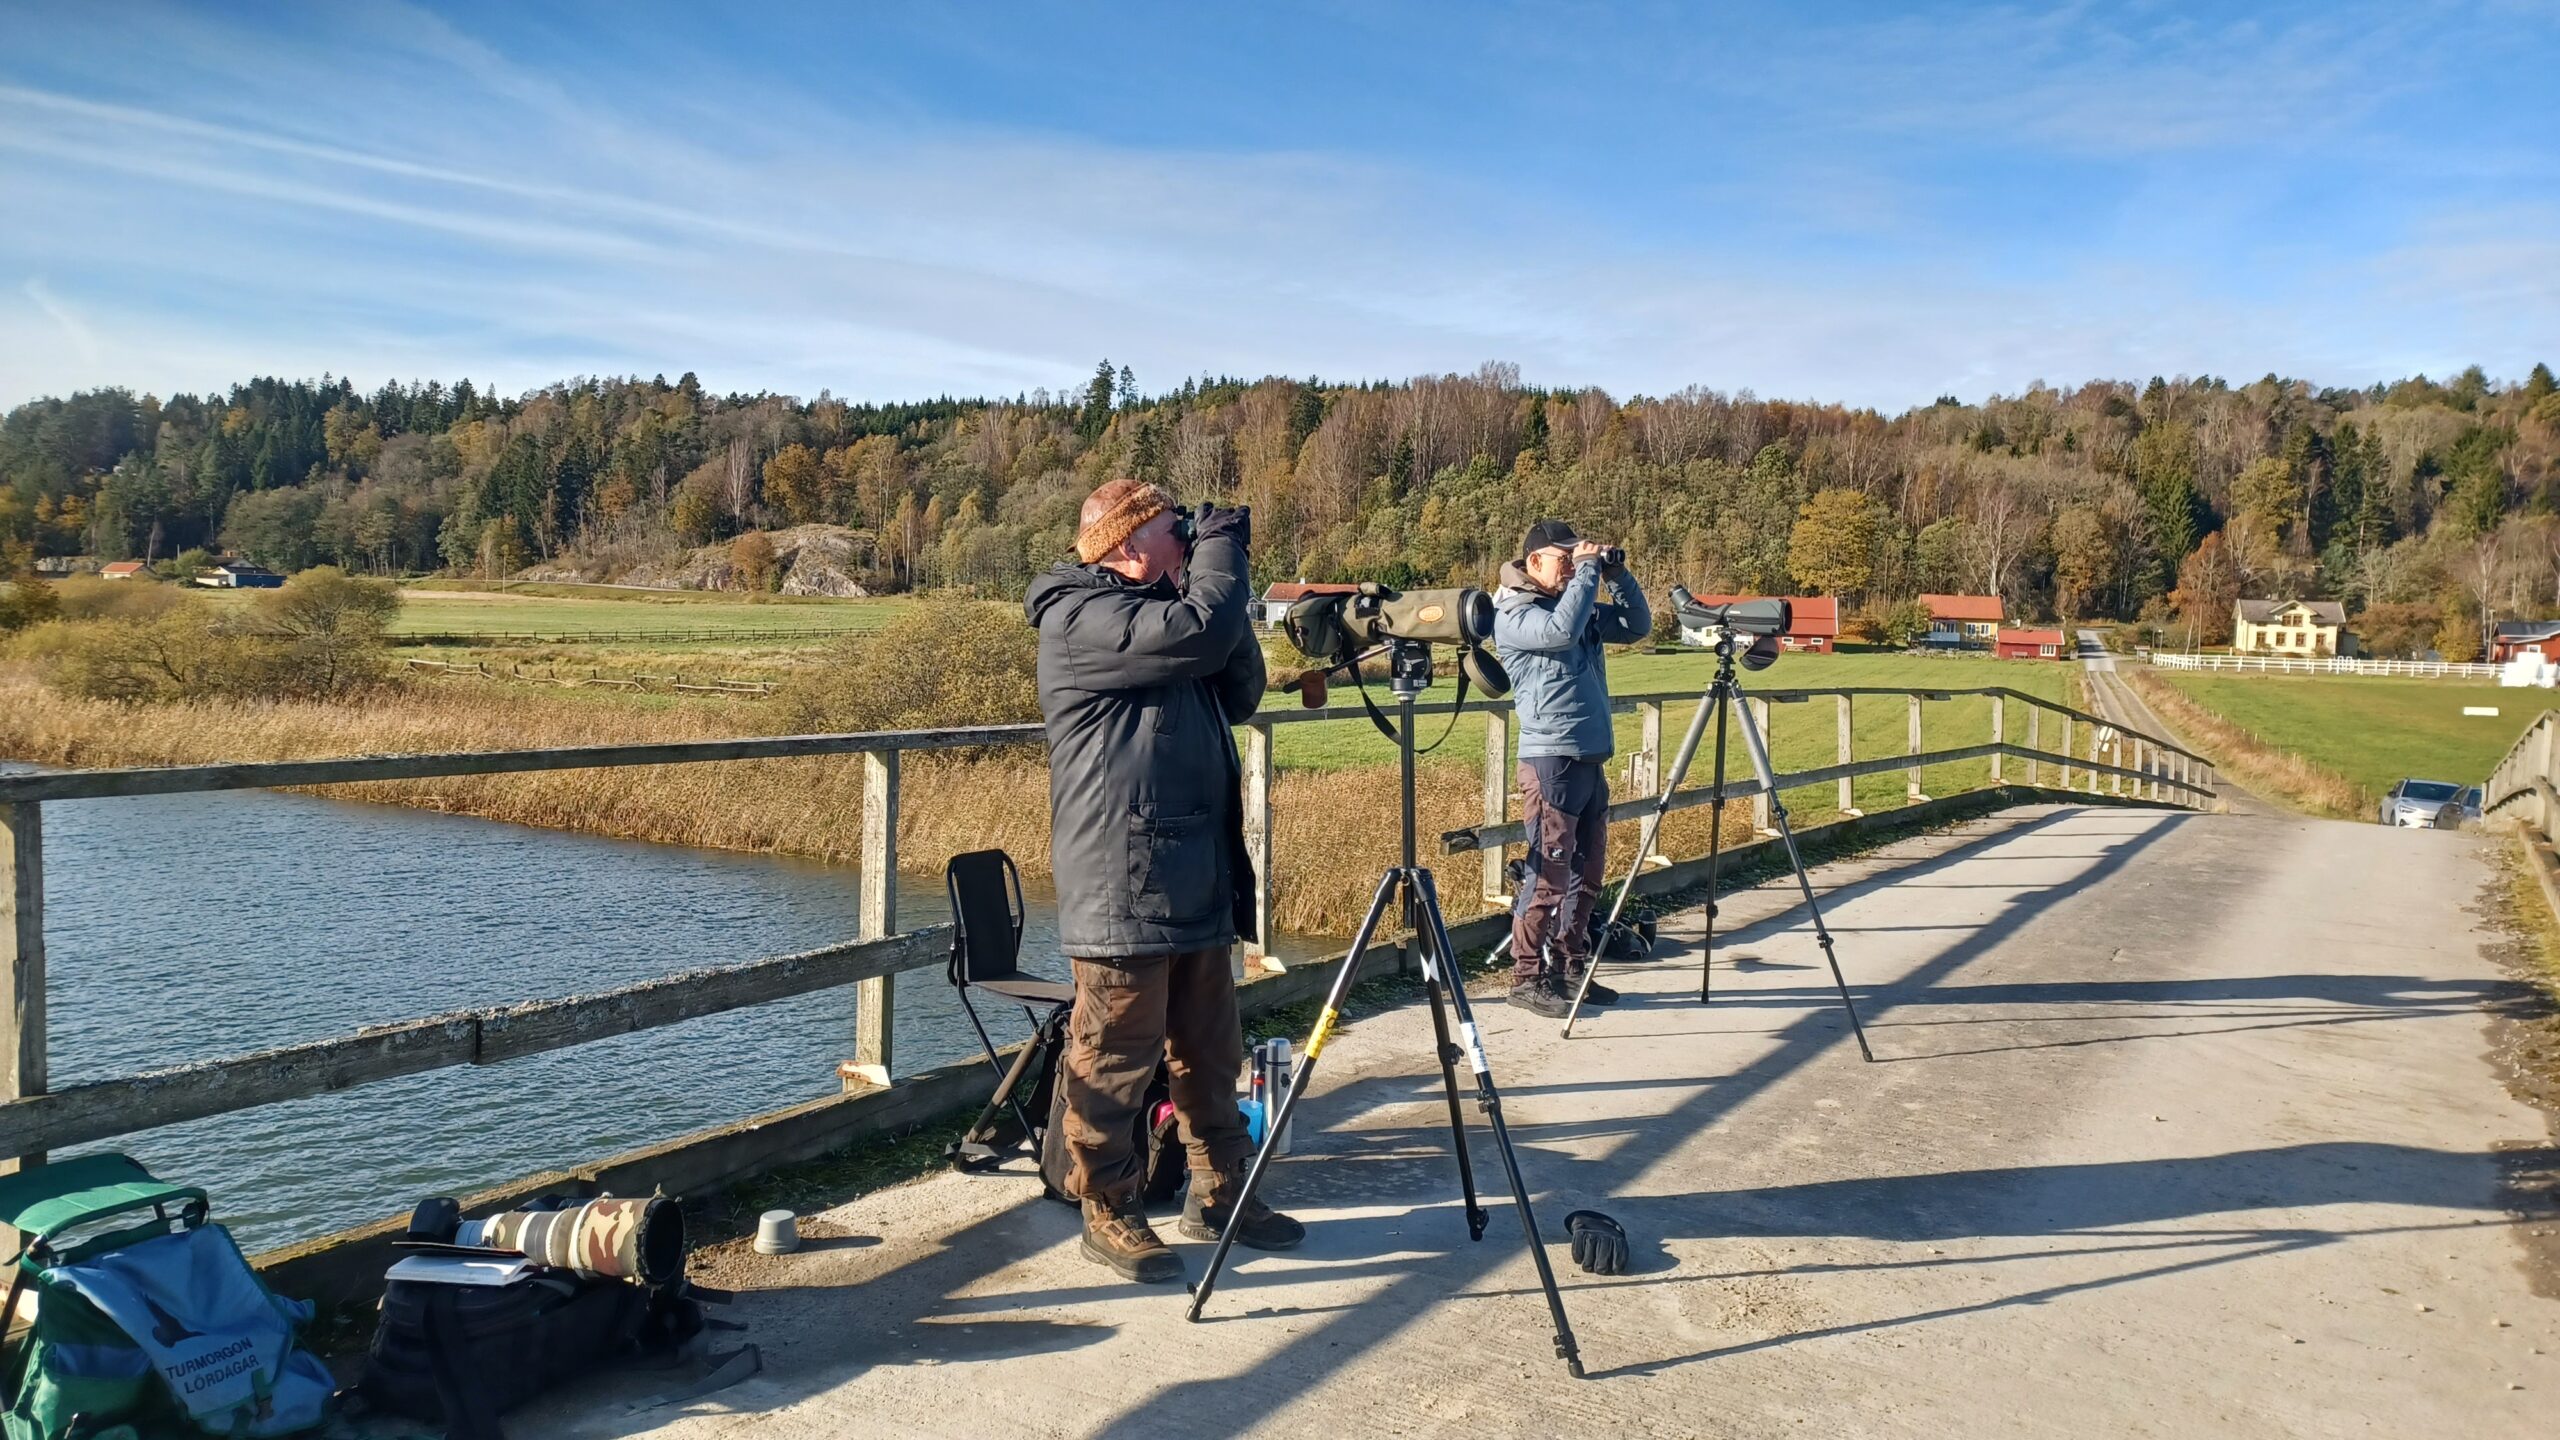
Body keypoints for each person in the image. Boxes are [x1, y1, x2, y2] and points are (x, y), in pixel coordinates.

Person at [1022, 478, 1305, 1283]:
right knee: (1113, 1055)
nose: (1186, 535)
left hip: (1194, 869)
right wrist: (1218, 556)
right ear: (1124, 541)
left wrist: (1209, 579)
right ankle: (1108, 1207)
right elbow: (1200, 633)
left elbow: (1237, 687)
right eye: (1172, 527)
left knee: (1210, 1052)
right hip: (1123, 879)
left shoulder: (1163, 615)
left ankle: (1221, 1190)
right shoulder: (1081, 616)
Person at [1491, 520, 1652, 1018]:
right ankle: (1526, 978)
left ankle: (1568, 967)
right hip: (1551, 760)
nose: (1570, 568)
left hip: (1589, 757)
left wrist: (1617, 575)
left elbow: (1636, 626)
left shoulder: (1574, 604)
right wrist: (1586, 571)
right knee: (1548, 875)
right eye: (1563, 560)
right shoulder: (1514, 614)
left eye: (1573, 559)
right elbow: (1560, 633)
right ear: (1533, 561)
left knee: (1587, 873)